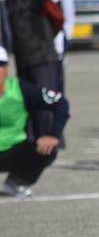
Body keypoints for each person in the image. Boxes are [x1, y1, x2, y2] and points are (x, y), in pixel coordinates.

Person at [0, 46, 69, 198]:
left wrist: (54, 134)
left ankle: (17, 182)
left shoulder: (19, 88)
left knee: (47, 149)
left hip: (12, 149)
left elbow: (60, 103)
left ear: (5, 68)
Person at [4, 0, 64, 91]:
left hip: (43, 58)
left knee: (45, 101)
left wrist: (45, 36)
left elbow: (58, 18)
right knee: (28, 103)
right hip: (22, 58)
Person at [34, 0, 75, 94]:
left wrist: (67, 37)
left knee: (54, 86)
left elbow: (68, 13)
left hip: (54, 44)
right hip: (32, 46)